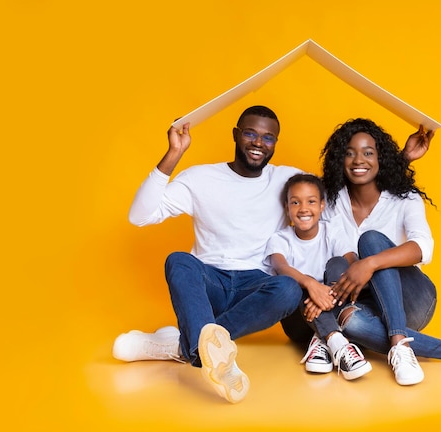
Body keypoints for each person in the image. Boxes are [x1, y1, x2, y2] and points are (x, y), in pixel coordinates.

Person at [281, 118, 441, 386]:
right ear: (339, 159)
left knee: (372, 241)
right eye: (350, 153)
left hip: (409, 299)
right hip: (358, 303)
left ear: (381, 158)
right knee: (347, 313)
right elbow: (302, 203)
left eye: (368, 153)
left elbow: (423, 247)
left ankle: (395, 339)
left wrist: (371, 263)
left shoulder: (405, 199)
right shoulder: (328, 201)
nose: (358, 160)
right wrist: (317, 292)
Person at [112, 106, 303, 403]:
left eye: (268, 138)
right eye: (251, 134)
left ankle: (183, 346)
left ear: (275, 144)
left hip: (254, 289)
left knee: (289, 289)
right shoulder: (201, 178)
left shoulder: (288, 180)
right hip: (208, 284)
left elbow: (346, 200)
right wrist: (174, 153)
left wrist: (402, 161)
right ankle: (208, 349)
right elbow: (140, 215)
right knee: (179, 260)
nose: (258, 143)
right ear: (236, 135)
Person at [263, 173, 372, 380]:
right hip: (298, 323)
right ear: (287, 208)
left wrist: (325, 294)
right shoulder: (279, 239)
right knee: (294, 284)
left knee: (338, 263)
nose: (303, 208)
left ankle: (323, 341)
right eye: (295, 202)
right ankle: (339, 345)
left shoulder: (332, 231)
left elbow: (351, 261)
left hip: (334, 306)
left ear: (322, 205)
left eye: (311, 201)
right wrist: (311, 285)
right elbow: (281, 266)